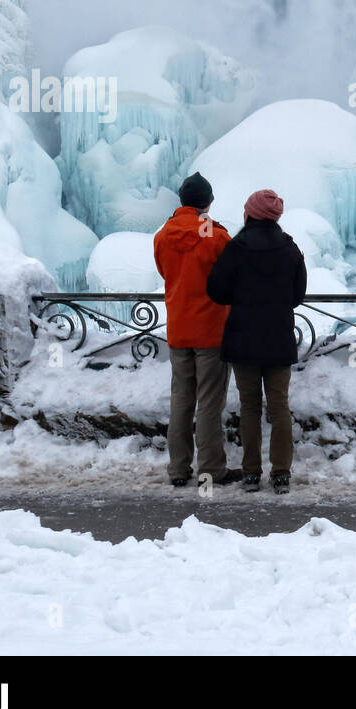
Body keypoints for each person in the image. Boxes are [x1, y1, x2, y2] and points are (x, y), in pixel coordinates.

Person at [206, 189, 308, 495]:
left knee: (249, 406)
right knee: (279, 407)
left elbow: (216, 290)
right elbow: (297, 296)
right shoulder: (290, 249)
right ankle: (281, 474)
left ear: (250, 214)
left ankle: (251, 473)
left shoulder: (237, 248)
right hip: (278, 338)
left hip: (244, 339)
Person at [153, 172, 243, 488]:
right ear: (208, 202)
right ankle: (211, 469)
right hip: (211, 331)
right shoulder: (216, 237)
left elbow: (165, 272)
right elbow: (234, 276)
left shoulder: (163, 235)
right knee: (209, 403)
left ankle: (178, 469)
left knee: (181, 400)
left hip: (178, 329)